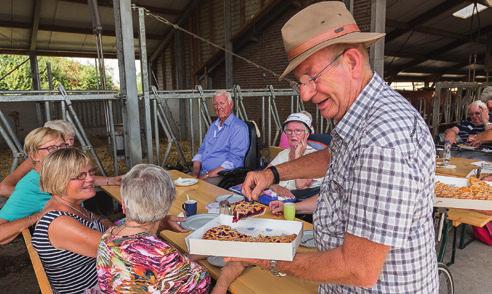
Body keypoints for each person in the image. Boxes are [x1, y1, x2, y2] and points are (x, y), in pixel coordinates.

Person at [235, 2, 438, 292]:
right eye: (300, 82)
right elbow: (336, 155)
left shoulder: (383, 140)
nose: (305, 94)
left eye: (312, 77)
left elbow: (358, 269)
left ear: (352, 62)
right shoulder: (362, 115)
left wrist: (267, 259)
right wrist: (272, 174)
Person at [97, 164, 245, 293]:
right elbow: (164, 264)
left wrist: (187, 257)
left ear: (123, 205)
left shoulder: (107, 237)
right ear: (166, 207)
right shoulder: (166, 259)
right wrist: (224, 280)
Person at [32, 148, 109, 293]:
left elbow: (98, 220)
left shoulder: (69, 206)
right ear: (59, 179)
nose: (91, 178)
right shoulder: (59, 222)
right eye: (81, 175)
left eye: (91, 172)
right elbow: (120, 251)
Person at [0, 119, 120, 197]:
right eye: (63, 140)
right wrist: (38, 194)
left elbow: (78, 178)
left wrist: (110, 180)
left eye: (71, 139)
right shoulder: (37, 160)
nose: (68, 145)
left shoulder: (67, 156)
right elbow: (3, 188)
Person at [0, 127, 66, 244]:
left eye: (62, 146)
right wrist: (39, 216)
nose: (60, 152)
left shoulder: (59, 174)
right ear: (34, 156)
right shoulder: (32, 186)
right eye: (50, 148)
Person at [191, 90, 249, 185]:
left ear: (231, 104)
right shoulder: (213, 126)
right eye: (215, 104)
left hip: (222, 176)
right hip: (203, 172)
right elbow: (201, 150)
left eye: (222, 103)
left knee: (196, 190)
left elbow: (234, 161)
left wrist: (207, 175)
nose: (218, 107)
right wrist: (195, 172)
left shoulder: (239, 128)